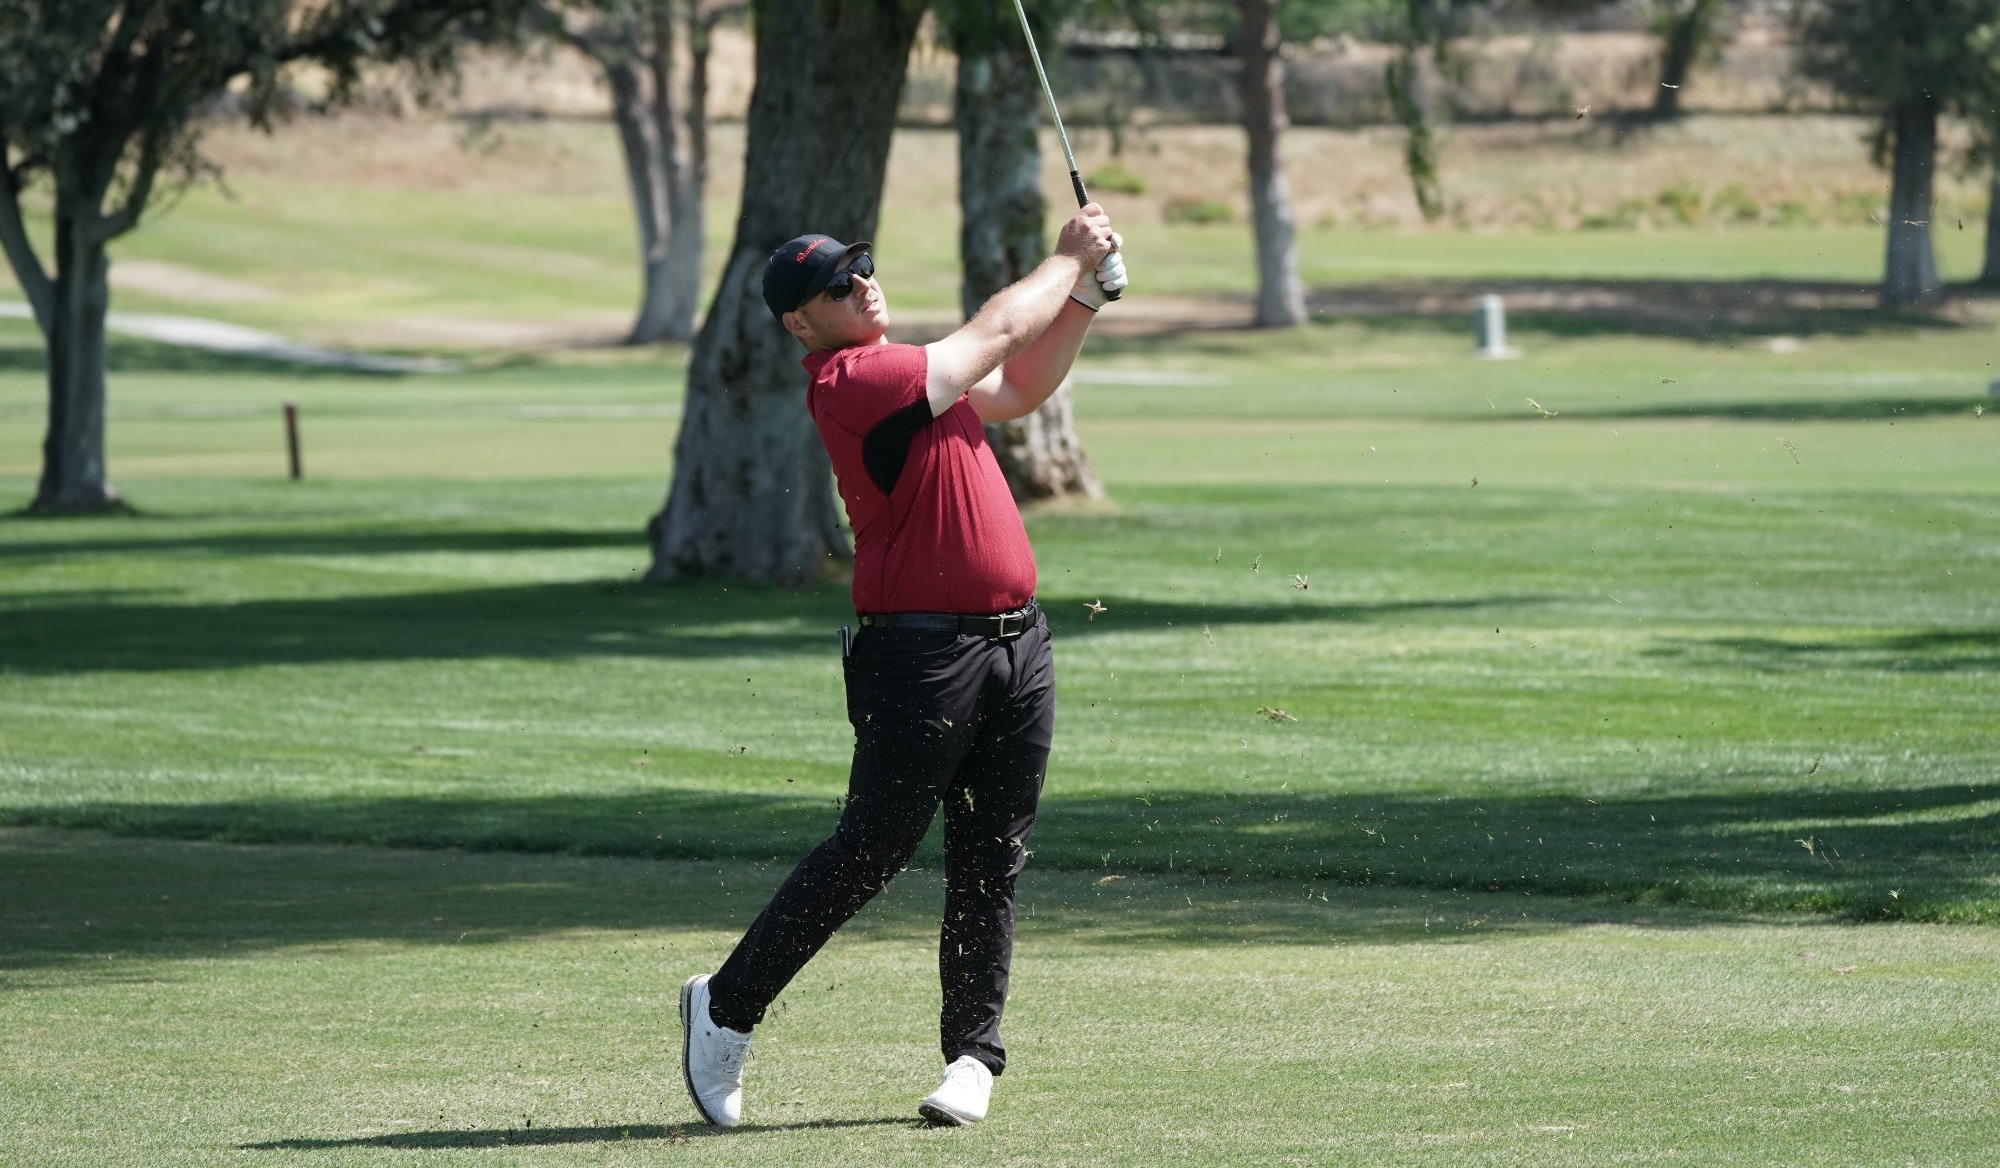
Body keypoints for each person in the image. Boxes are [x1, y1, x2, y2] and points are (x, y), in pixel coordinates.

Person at [679, 207, 1126, 1128]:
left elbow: (1018, 385)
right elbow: (996, 332)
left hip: (1018, 645)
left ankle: (971, 1057)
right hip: (919, 655)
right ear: (801, 324)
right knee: (872, 850)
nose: (862, 284)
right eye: (837, 286)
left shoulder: (917, 378)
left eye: (863, 267)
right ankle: (723, 1010)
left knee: (990, 857)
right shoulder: (855, 380)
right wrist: (1068, 257)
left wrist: (1081, 296)